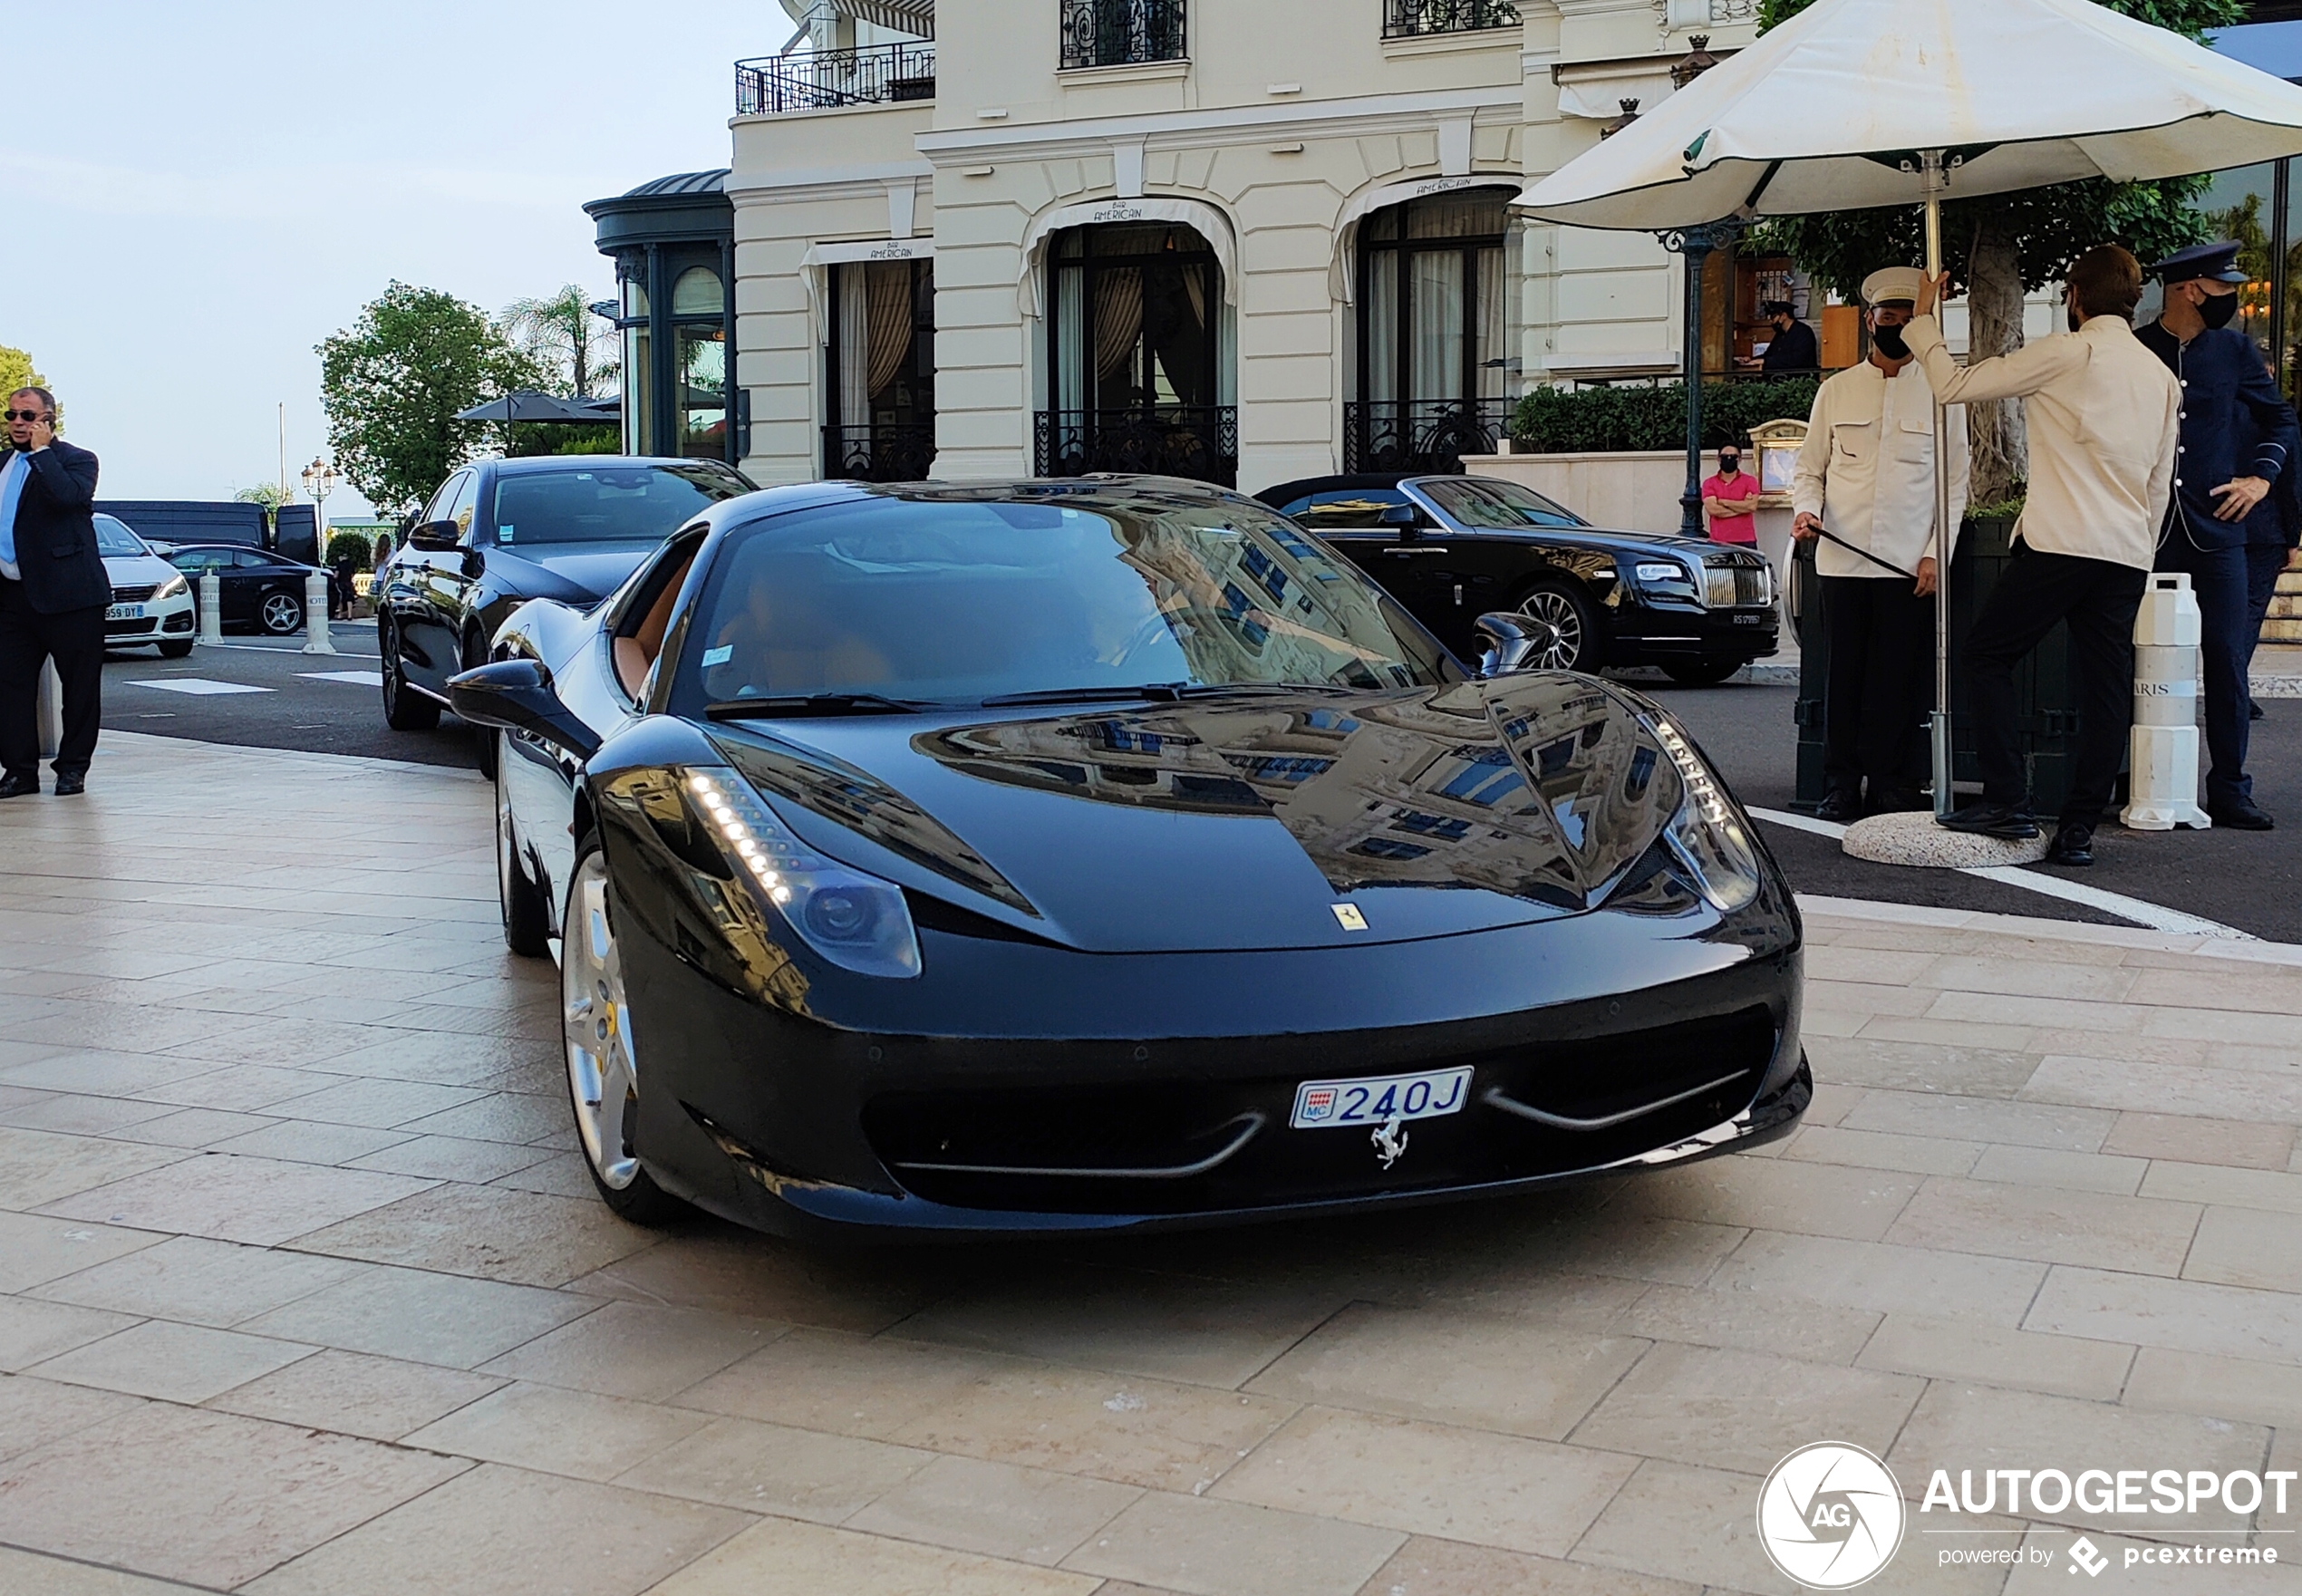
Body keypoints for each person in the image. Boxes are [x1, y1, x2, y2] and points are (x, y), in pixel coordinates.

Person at [1907, 245, 2181, 866]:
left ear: (2076, 299)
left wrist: (1925, 319)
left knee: (1985, 656)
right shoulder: (2159, 375)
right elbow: (2159, 482)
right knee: (2107, 690)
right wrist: (2141, 547)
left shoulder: (2068, 350)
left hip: (2060, 542)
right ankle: (2079, 831)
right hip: (2126, 550)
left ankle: (2008, 798)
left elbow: (1955, 385)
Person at [1790, 266, 1970, 821]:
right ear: (1869, 321)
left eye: (1902, 319)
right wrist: (1805, 512)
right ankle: (1841, 783)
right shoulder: (1835, 390)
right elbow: (1809, 471)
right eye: (1883, 318)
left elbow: (1955, 484)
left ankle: (1893, 783)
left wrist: (1937, 553)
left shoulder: (1945, 395)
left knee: (1898, 683)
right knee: (1842, 681)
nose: (1890, 325)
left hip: (1904, 565)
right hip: (1841, 560)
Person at [2136, 240, 2297, 829]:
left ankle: (2229, 787)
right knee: (2128, 655)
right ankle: (2129, 776)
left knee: (2227, 659)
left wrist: (2261, 478)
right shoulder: (2136, 349)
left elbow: (2281, 417)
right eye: (2226, 288)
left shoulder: (2233, 351)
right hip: (2147, 532)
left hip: (2221, 530)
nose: (2235, 299)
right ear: (2191, 289)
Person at [0, 387, 107, 798]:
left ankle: (72, 768)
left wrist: (43, 455)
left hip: (70, 597)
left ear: (48, 421)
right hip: (12, 598)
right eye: (11, 415)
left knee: (79, 689)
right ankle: (19, 771)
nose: (17, 423)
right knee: (9, 687)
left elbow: (68, 498)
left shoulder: (76, 461)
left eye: (28, 416)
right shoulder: (2, 465)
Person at [1699, 445, 1760, 547]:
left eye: (1733, 457)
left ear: (1739, 459)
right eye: (1724, 457)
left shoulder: (1750, 481)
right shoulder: (1709, 483)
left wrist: (1724, 502)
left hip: (1746, 540)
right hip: (1718, 541)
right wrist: (1742, 507)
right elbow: (1713, 510)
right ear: (1718, 459)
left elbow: (1752, 506)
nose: (1728, 459)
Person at [1756, 301, 1820, 373]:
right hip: (1780, 379)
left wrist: (1766, 362)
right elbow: (1769, 354)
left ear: (1784, 316)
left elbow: (1797, 360)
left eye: (1773, 317)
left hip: (1799, 380)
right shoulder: (1780, 335)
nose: (1770, 321)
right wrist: (1752, 360)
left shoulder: (1803, 332)